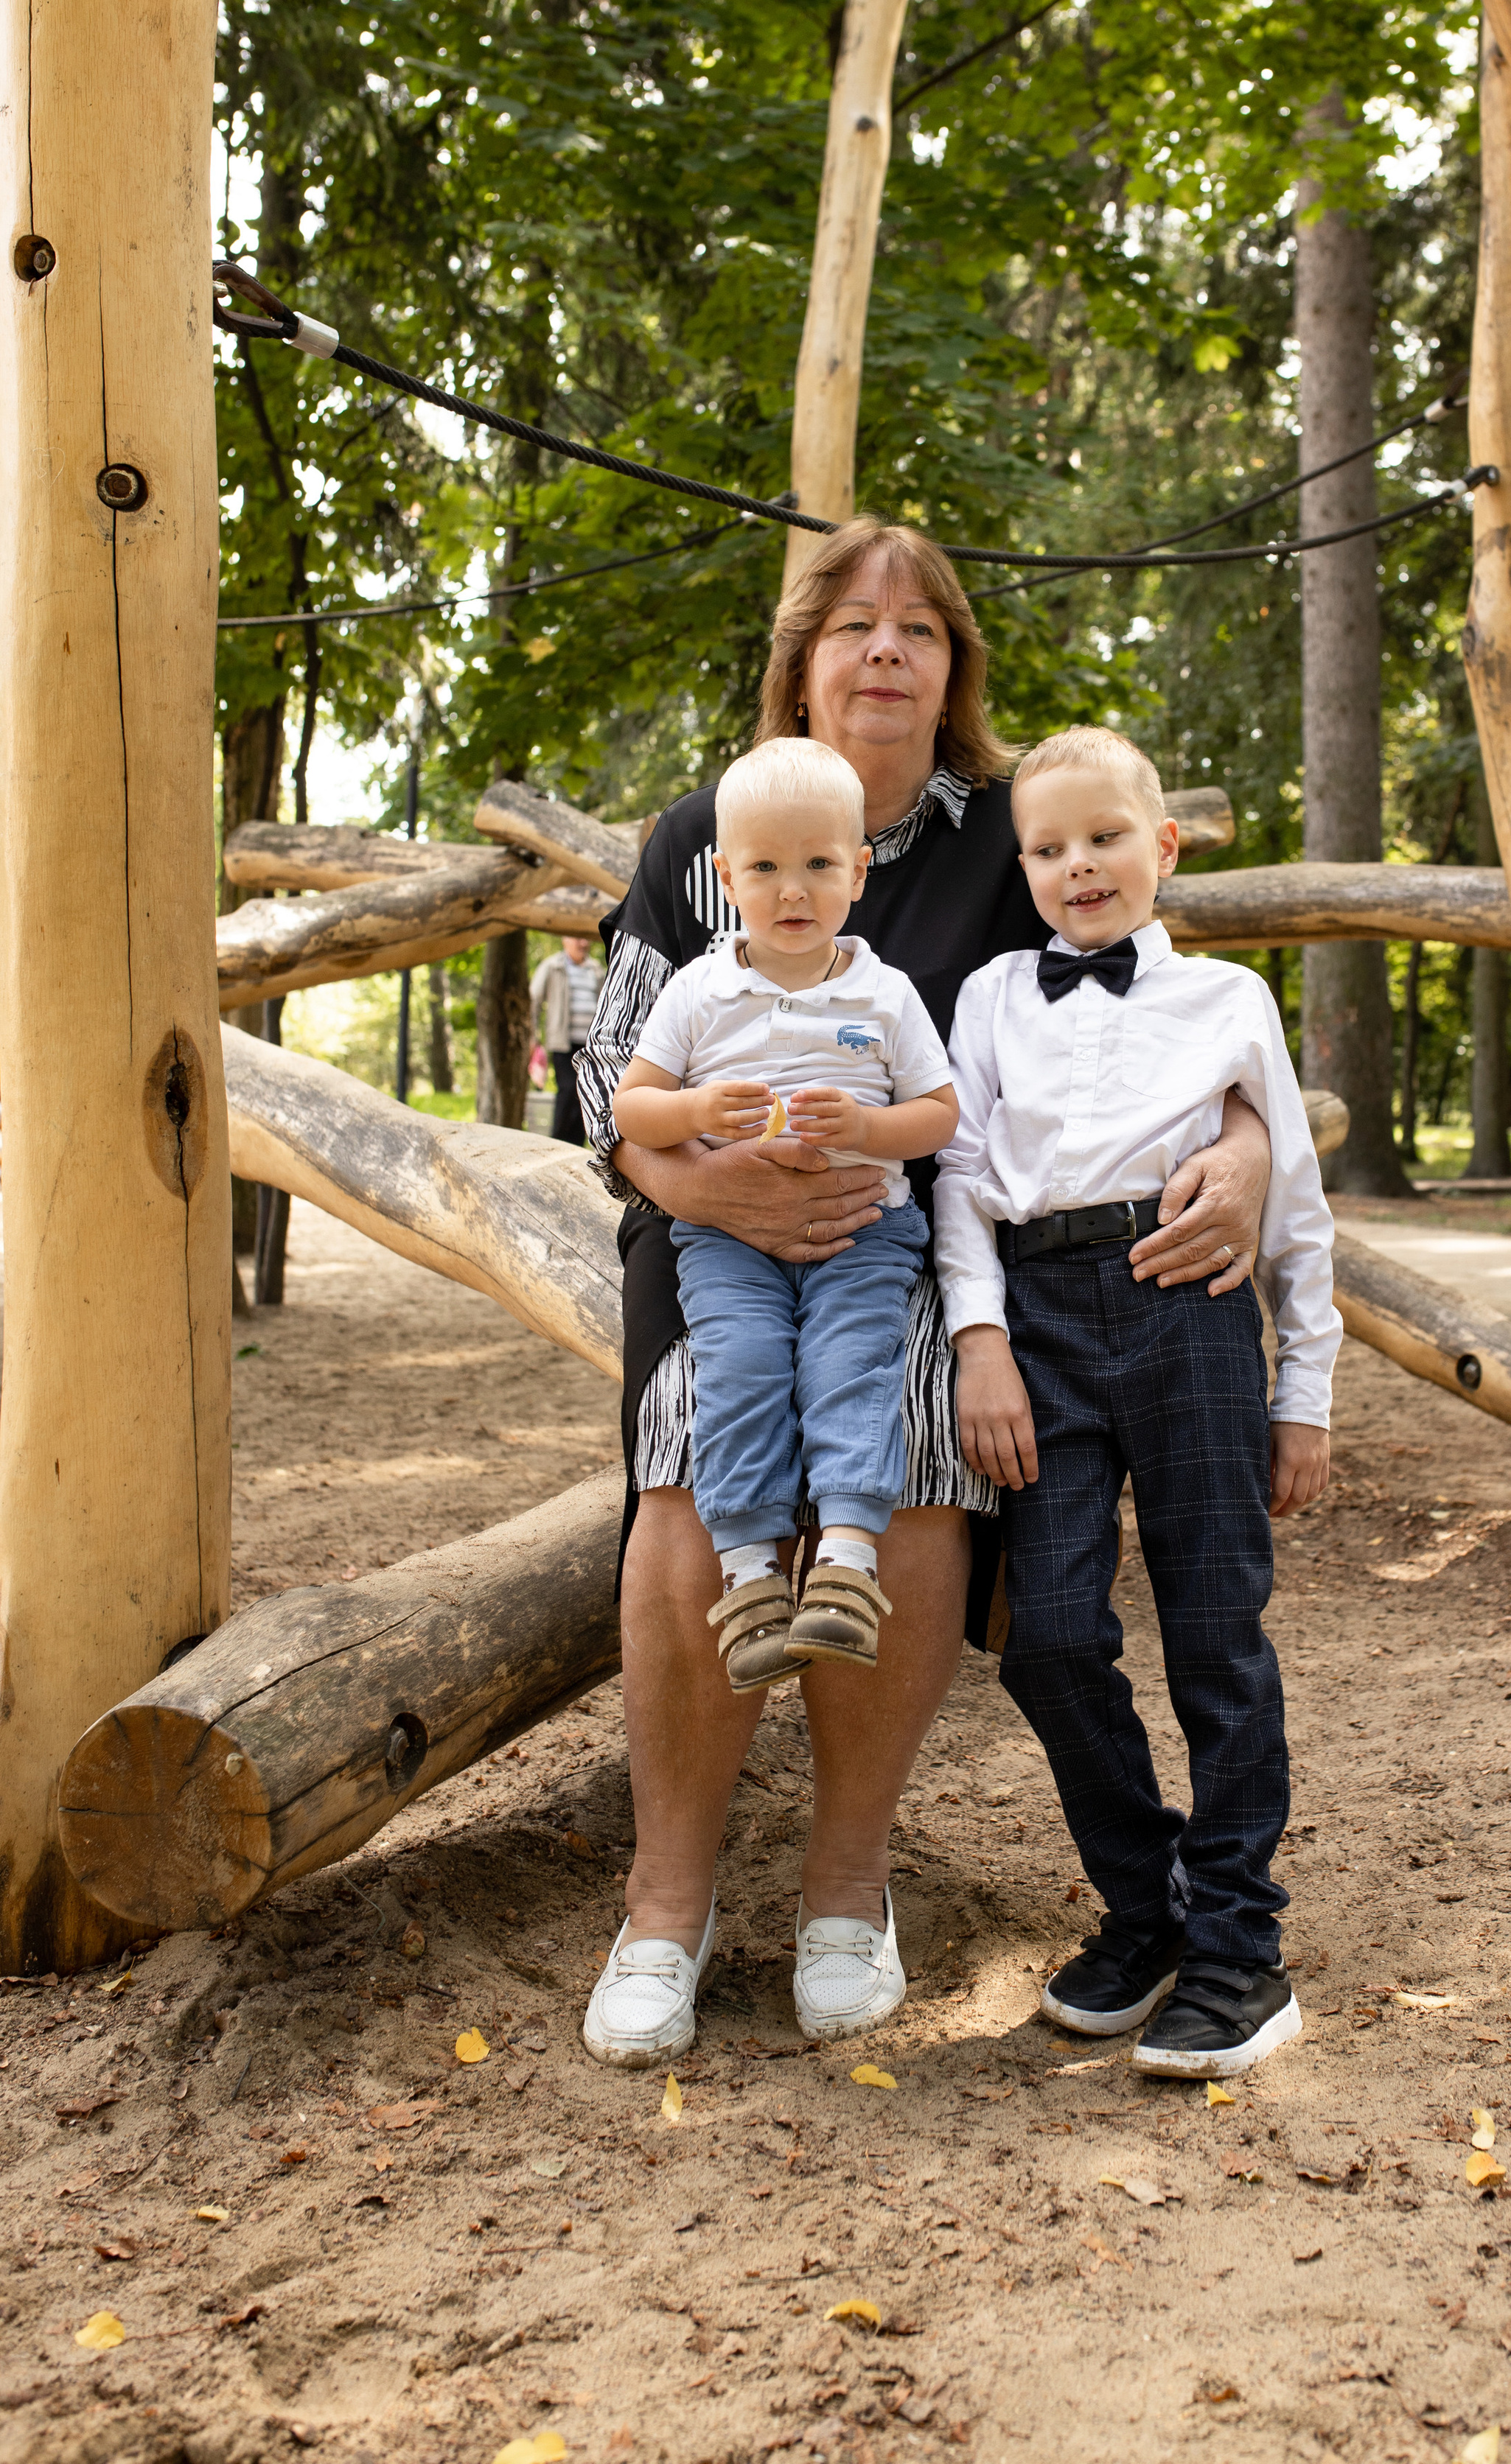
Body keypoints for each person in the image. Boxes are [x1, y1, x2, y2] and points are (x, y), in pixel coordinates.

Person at [573, 519, 1277, 2070]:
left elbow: (1145, 1012)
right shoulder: (705, 830)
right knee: (697, 1459)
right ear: (801, 659)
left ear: (952, 667)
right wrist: (698, 1186)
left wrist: (1241, 1146)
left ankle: (844, 1886)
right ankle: (662, 1904)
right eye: (850, 623)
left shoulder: (1004, 830)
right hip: (711, 1239)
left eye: (919, 628)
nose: (884, 648)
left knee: (901, 1468)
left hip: (927, 1246)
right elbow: (597, 1069)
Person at [935, 725, 1339, 2080]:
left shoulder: (1230, 1001)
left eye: (1104, 836)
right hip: (1039, 1331)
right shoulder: (991, 996)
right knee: (1046, 1636)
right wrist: (981, 1340)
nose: (1077, 866)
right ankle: (1147, 1902)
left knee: (1216, 1638)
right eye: (1046, 848)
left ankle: (1240, 1948)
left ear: (1163, 845)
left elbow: (1293, 1213)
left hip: (1190, 1321)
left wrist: (1308, 1397)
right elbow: (959, 1183)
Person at [613, 738, 960, 1690]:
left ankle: (846, 1565)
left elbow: (940, 1116)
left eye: (817, 865)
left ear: (858, 869)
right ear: (726, 877)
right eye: (764, 868)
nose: (793, 890)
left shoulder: (883, 995)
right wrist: (691, 1113)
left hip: (864, 1233)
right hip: (727, 1242)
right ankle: (752, 1578)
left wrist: (866, 1123)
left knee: (851, 1365)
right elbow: (629, 1107)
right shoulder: (699, 991)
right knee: (743, 1370)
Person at [531, 934, 603, 1144]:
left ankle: (577, 1144)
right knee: (568, 1089)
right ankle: (557, 1141)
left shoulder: (596, 970)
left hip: (589, 1046)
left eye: (585, 939)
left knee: (585, 1093)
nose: (583, 943)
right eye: (578, 939)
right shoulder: (553, 966)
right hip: (563, 1042)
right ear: (565, 940)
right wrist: (533, 1038)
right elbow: (533, 1000)